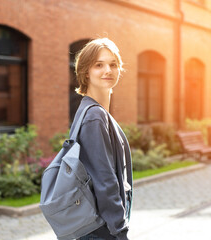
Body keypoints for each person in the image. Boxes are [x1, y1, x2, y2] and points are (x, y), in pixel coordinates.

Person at [70, 38, 133, 240]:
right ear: (85, 71)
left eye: (113, 64)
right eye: (99, 65)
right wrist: (120, 230)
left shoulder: (91, 111)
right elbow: (105, 181)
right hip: (102, 231)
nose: (108, 70)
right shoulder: (95, 116)